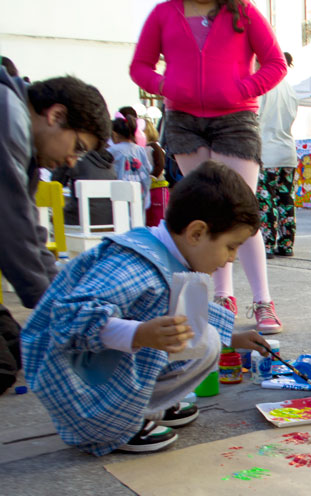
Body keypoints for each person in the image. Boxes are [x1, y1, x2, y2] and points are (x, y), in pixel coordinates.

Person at [21, 160, 271, 455]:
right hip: (76, 383)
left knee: (206, 340)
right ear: (196, 233)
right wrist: (139, 334)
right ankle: (118, 423)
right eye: (231, 246)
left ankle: (146, 406)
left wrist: (233, 336)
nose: (232, 259)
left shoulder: (176, 255)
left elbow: (194, 316)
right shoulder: (135, 264)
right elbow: (69, 319)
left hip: (105, 363)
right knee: (202, 339)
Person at [130, 0, 287, 334]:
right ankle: (222, 297)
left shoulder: (243, 11)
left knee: (243, 208)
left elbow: (275, 63)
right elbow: (140, 66)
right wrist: (165, 86)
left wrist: (243, 88)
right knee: (206, 209)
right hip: (184, 119)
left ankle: (263, 301)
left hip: (236, 117)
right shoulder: (163, 13)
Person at [0, 70, 110, 395]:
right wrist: (57, 312)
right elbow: (10, 228)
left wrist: (62, 297)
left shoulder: (26, 144)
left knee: (16, 349)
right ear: (56, 115)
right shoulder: (9, 118)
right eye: (77, 146)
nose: (72, 161)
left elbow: (31, 233)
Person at [257, 51, 299, 257]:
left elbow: (255, 119)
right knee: (285, 199)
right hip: (287, 150)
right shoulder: (289, 89)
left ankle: (267, 243)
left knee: (266, 200)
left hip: (267, 150)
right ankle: (286, 243)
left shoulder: (262, 86)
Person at [109, 109, 153, 213]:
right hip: (140, 192)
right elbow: (148, 168)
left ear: (114, 135)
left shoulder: (112, 151)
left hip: (120, 194)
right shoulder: (140, 149)